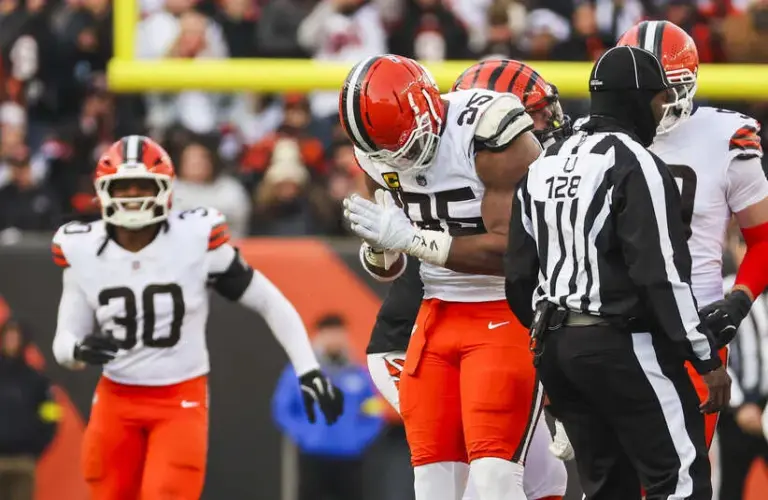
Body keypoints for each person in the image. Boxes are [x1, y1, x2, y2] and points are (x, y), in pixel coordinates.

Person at [51, 135, 344, 500]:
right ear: (103, 191)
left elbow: (270, 301)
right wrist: (79, 350)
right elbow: (63, 342)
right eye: (122, 188)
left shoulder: (194, 239)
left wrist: (308, 368)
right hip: (115, 396)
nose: (132, 197)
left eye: (142, 186)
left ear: (166, 189)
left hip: (179, 398)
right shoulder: (82, 248)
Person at [505, 46, 731, 500]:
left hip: (557, 349)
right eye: (657, 100)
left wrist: (557, 340)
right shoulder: (635, 162)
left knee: (607, 489)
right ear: (635, 98)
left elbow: (518, 279)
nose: (661, 111)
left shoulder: (543, 165)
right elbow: (659, 274)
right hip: (621, 342)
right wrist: (705, 358)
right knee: (681, 481)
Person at [550, 19, 768, 463]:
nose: (661, 102)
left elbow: (762, 238)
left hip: (692, 331)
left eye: (672, 88)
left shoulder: (724, 137)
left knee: (679, 478)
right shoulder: (585, 141)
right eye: (651, 89)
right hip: (607, 331)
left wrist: (740, 299)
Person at [364, 59, 570, 500]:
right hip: (417, 335)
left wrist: (412, 239)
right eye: (531, 117)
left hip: (500, 317)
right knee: (448, 484)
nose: (540, 131)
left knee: (514, 478)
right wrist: (381, 246)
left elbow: (513, 255)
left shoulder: (492, 137)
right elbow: (392, 266)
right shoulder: (379, 150)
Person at [273, 314, 384, 500]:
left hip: (350, 457)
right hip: (313, 455)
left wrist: (358, 438)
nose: (334, 339)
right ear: (319, 336)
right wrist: (306, 434)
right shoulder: (300, 373)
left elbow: (374, 411)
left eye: (338, 333)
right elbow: (282, 408)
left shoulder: (359, 374)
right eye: (329, 333)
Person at [715, 228, 768, 500]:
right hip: (735, 413)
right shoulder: (723, 292)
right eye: (745, 246)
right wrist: (739, 404)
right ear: (735, 248)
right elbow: (714, 352)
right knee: (730, 490)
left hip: (766, 406)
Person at [0, 320, 60, 500]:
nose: (12, 341)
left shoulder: (38, 381)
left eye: (16, 337)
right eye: (8, 336)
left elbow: (52, 418)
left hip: (23, 463)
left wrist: (35, 449)